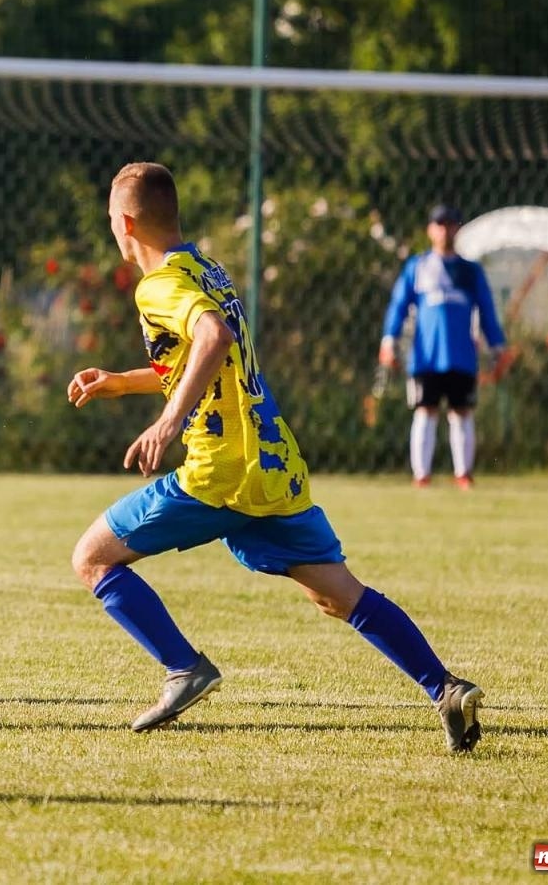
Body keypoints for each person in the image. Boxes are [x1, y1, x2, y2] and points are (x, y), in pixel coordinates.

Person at [66, 162, 483, 753]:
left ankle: (184, 668)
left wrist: (170, 420)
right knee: (338, 593)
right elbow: (202, 362)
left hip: (219, 471)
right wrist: (122, 381)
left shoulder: (157, 286)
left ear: (126, 221)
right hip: (271, 460)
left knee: (92, 558)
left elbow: (213, 339)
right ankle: (445, 688)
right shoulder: (205, 268)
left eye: (111, 219)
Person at [379, 204, 509, 489]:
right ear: (430, 230)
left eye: (450, 224)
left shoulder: (469, 271)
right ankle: (421, 475)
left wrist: (498, 348)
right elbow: (399, 306)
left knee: (461, 412)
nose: (445, 230)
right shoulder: (418, 266)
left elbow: (487, 311)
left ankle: (463, 474)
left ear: (457, 229)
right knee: (425, 410)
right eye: (439, 224)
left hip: (461, 355)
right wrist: (389, 340)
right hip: (426, 357)